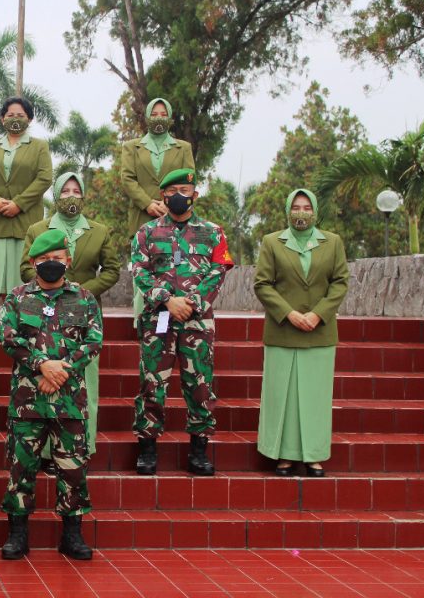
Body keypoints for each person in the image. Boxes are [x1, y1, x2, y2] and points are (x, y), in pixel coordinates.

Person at [0, 229, 101, 561]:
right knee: (21, 467)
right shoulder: (17, 297)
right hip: (28, 402)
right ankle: (17, 534)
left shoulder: (85, 298)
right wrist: (43, 365)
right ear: (32, 263)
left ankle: (71, 534)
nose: (51, 264)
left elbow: (93, 342)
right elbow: (10, 339)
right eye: (44, 259)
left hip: (69, 401)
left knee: (72, 469)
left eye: (57, 258)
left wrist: (61, 371)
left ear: (68, 261)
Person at [131, 169, 234, 477]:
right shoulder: (146, 233)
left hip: (197, 322)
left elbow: (219, 270)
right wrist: (167, 300)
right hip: (159, 318)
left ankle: (199, 450)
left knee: (200, 384)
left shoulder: (213, 232)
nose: (179, 194)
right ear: (163, 195)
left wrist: (191, 303)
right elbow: (140, 271)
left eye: (185, 189)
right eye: (173, 189)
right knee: (152, 383)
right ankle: (147, 447)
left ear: (195, 194)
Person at [21, 171, 120, 455]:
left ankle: (80, 447)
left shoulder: (99, 231)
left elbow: (112, 270)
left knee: (83, 381)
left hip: (83, 317)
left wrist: (81, 291)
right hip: (43, 315)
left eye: (77, 191)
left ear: (84, 195)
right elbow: (26, 268)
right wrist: (53, 285)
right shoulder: (38, 230)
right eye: (65, 191)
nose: (71, 196)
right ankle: (44, 451)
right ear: (55, 195)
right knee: (44, 374)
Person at [254, 189, 349, 478]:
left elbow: (340, 282)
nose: (301, 212)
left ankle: (314, 456)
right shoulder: (272, 242)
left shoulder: (332, 242)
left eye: (307, 207)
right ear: (287, 209)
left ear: (315, 210)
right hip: (283, 331)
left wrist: (318, 313)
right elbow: (263, 284)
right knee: (282, 395)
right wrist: (290, 313)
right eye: (296, 206)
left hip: (319, 332)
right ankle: (283, 455)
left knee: (314, 397)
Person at [0, 96, 53, 297]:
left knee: (26, 285)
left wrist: (19, 203)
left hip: (27, 223)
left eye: (20, 115)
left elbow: (44, 178)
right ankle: (5, 324)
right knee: (2, 287)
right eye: (10, 115)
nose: (15, 119)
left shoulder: (39, 146)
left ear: (29, 119)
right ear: (2, 119)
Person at [119, 98, 196, 238]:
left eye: (163, 114)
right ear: (147, 116)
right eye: (154, 114)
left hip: (176, 216)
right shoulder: (131, 147)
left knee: (178, 257)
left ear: (170, 117)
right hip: (141, 217)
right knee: (142, 258)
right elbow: (127, 179)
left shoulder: (184, 148)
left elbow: (189, 180)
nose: (159, 118)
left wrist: (169, 203)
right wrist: (147, 203)